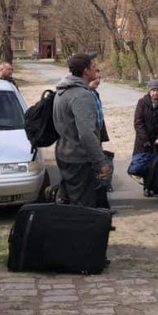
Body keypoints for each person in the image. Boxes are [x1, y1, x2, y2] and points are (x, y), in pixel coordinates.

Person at [52, 53, 111, 207]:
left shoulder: (62, 90)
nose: (96, 70)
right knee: (83, 209)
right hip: (79, 160)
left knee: (68, 204)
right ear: (86, 71)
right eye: (93, 67)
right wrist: (100, 162)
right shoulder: (81, 95)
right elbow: (86, 134)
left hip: (65, 154)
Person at [88, 67, 112, 205]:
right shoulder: (85, 95)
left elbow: (100, 117)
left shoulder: (95, 94)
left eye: (99, 78)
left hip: (97, 136)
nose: (98, 81)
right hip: (90, 138)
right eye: (95, 78)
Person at [133, 79, 158, 154]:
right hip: (143, 142)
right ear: (149, 91)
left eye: (157, 90)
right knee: (140, 163)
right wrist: (145, 139)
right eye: (153, 90)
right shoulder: (142, 102)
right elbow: (138, 122)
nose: (155, 93)